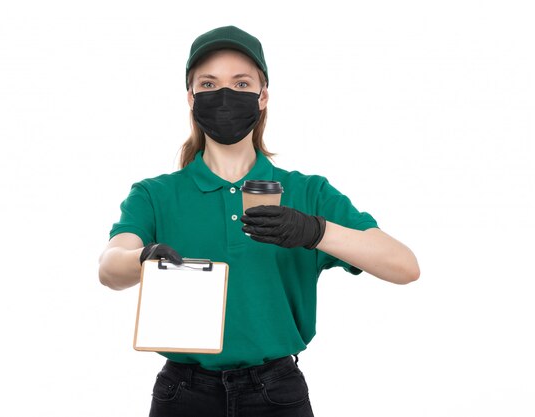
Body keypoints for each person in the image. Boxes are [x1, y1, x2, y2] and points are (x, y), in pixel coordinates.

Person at [98, 25, 420, 417]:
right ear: (191, 97)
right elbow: (110, 267)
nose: (225, 96)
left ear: (263, 96)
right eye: (209, 83)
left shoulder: (308, 192)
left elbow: (405, 266)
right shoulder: (155, 194)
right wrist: (142, 257)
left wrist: (315, 230)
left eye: (241, 83)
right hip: (183, 393)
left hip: (276, 392)